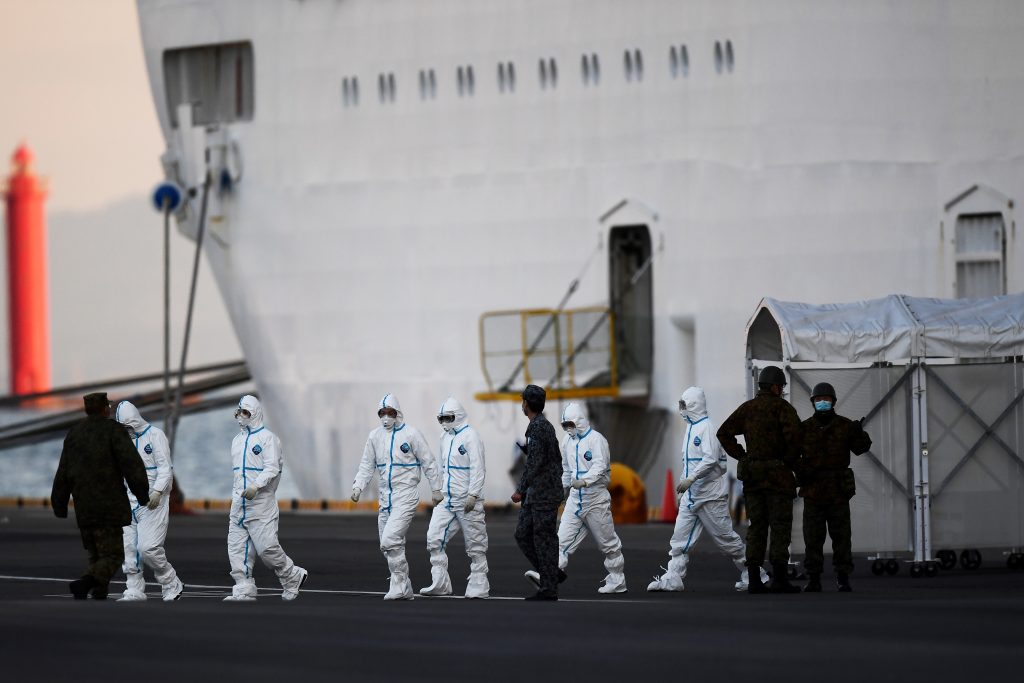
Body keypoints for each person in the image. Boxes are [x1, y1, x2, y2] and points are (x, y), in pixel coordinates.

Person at [648, 387, 769, 592]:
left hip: (709, 495)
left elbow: (711, 460)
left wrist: (692, 478)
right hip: (692, 495)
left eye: (684, 405)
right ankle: (673, 577)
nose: (681, 409)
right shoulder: (690, 428)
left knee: (726, 540)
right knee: (679, 539)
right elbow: (689, 463)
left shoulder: (707, 429)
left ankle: (756, 574)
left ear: (694, 405)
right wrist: (684, 486)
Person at [51, 392, 151, 600]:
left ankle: (99, 591)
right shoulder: (113, 431)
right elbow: (131, 465)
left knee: (95, 553)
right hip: (109, 505)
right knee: (113, 555)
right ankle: (86, 583)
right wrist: (142, 494)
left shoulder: (75, 433)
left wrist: (59, 503)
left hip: (83, 505)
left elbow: (63, 471)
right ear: (105, 409)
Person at [717, 366, 803, 594]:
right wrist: (791, 465)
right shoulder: (783, 409)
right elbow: (795, 441)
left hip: (754, 478)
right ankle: (780, 579)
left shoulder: (748, 409)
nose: (782, 390)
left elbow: (723, 432)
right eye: (781, 386)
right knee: (780, 527)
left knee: (757, 528)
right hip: (779, 479)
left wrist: (742, 455)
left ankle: (754, 579)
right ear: (775, 386)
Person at [526, 402, 626, 594]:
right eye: (565, 425)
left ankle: (617, 579)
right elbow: (566, 469)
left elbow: (600, 466)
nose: (568, 429)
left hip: (596, 500)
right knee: (560, 541)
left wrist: (585, 481)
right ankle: (547, 577)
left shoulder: (597, 440)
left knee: (608, 543)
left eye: (570, 424)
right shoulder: (566, 442)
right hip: (575, 501)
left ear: (580, 421)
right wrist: (561, 490)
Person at [352, 393, 443, 600]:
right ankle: (402, 585)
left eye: (389, 413)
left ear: (398, 413)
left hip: (406, 495)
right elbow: (367, 465)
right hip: (386, 498)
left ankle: (400, 585)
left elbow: (428, 461)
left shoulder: (411, 434)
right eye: (382, 413)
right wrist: (358, 486)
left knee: (390, 539)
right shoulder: (375, 436)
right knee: (388, 545)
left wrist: (436, 489)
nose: (385, 417)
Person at [224, 395, 308, 601]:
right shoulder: (236, 441)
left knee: (267, 548)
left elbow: (272, 468)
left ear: (254, 414)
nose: (240, 417)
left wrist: (256, 486)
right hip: (239, 503)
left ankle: (291, 575)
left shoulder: (268, 439)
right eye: (238, 412)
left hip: (261, 503)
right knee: (236, 547)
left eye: (244, 412)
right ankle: (243, 586)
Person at [798, 382, 872, 592]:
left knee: (841, 537)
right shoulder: (804, 428)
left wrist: (859, 433)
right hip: (813, 490)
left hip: (838, 491)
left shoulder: (845, 426)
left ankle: (843, 576)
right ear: (813, 402)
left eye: (826, 400)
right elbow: (792, 455)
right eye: (818, 400)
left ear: (833, 402)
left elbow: (861, 448)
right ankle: (813, 578)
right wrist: (801, 471)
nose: (822, 402)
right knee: (812, 537)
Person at [113, 400, 184, 601]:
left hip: (153, 501)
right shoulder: (123, 441)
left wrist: (158, 492)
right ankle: (134, 587)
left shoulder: (155, 436)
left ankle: (171, 581)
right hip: (129, 500)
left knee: (148, 548)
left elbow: (165, 469)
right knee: (129, 548)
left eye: (127, 426)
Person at [420, 396, 490, 598]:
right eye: (441, 418)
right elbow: (443, 468)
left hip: (467, 500)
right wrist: (438, 490)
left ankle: (479, 583)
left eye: (448, 418)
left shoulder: (471, 437)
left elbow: (478, 468)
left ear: (458, 416)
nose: (444, 422)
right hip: (447, 499)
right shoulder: (445, 438)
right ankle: (440, 581)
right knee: (434, 537)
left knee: (475, 542)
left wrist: (473, 494)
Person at [512, 384, 564, 601]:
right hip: (538, 493)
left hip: (543, 494)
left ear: (527, 404)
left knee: (544, 539)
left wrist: (520, 490)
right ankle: (552, 573)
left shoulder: (539, 428)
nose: (522, 404)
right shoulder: (539, 427)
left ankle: (549, 587)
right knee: (523, 533)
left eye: (523, 401)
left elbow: (534, 463)